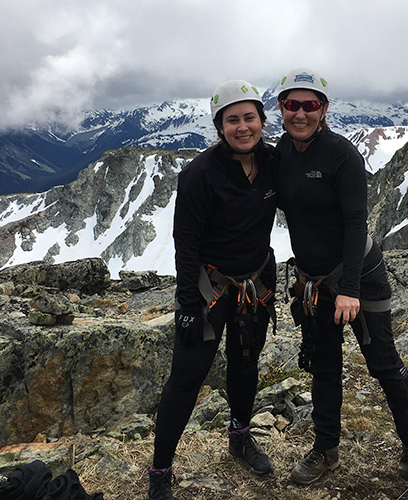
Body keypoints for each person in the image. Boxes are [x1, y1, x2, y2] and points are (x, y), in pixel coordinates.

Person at [275, 68, 408, 484]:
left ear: (323, 110)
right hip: (314, 282)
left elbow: (356, 222)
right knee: (324, 365)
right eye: (291, 104)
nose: (300, 113)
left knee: (381, 361)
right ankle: (325, 450)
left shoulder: (342, 155)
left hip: (359, 275)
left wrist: (351, 290)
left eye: (310, 105)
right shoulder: (281, 155)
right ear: (281, 109)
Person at [148, 80, 278, 500]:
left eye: (250, 118)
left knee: (246, 362)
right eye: (232, 120)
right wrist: (187, 303)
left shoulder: (273, 162)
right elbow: (185, 242)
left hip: (257, 281)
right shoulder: (200, 174)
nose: (243, 127)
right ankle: (160, 470)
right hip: (211, 287)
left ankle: (240, 435)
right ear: (219, 126)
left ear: (262, 120)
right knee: (186, 377)